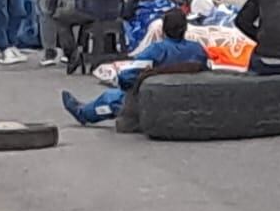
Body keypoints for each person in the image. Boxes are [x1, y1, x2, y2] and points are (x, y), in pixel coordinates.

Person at [61, 10, 208, 125]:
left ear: (163, 29)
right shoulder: (198, 50)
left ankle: (84, 113)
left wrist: (122, 82)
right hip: (188, 100)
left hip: (154, 102)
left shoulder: (157, 50)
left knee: (112, 98)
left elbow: (128, 77)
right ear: (186, 28)